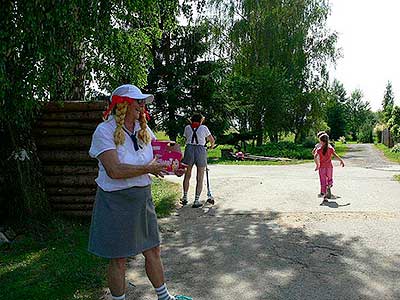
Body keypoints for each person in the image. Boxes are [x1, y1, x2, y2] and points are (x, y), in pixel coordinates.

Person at [88, 84, 191, 300]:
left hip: (142, 198)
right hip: (115, 201)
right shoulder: (104, 131)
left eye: (143, 102)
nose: (142, 106)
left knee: (153, 250)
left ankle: (165, 297)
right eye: (138, 102)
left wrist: (173, 167)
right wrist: (148, 169)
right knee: (118, 258)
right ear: (122, 105)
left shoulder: (143, 130)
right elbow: (114, 170)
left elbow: (156, 159)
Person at [180, 113, 215, 208]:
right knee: (200, 176)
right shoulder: (204, 128)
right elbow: (211, 140)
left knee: (187, 175)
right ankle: (196, 200)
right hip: (200, 149)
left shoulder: (187, 127)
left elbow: (186, 137)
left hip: (189, 149)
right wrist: (211, 146)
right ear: (201, 120)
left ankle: (185, 197)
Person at [314, 133, 345, 204]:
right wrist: (341, 160)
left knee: (323, 181)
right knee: (329, 179)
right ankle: (329, 185)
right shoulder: (330, 148)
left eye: (320, 141)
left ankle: (324, 196)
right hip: (329, 167)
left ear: (322, 141)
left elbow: (315, 156)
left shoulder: (319, 149)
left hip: (322, 168)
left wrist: (317, 165)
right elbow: (335, 155)